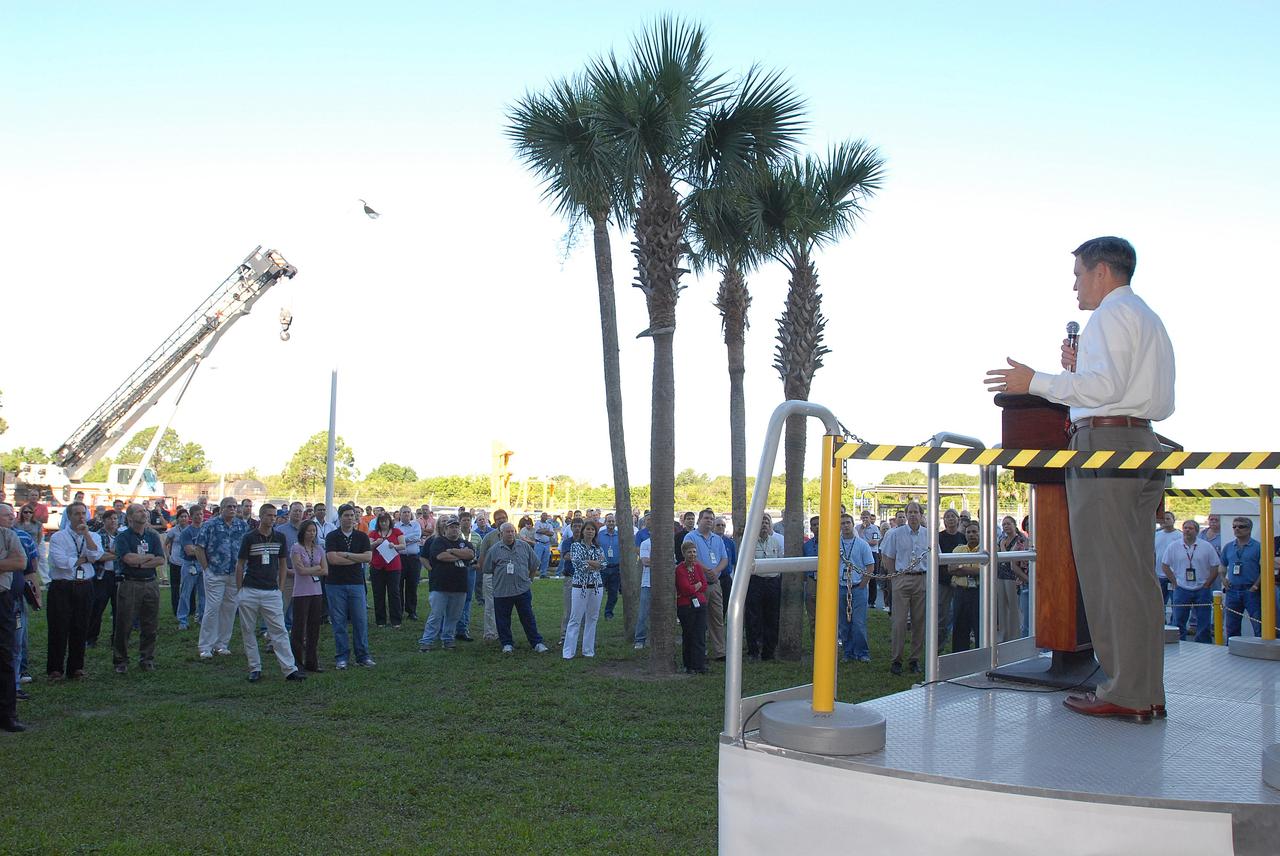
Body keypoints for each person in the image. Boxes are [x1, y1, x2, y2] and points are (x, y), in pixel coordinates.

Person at [985, 235, 1174, 722]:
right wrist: (1078, 373)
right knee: (1135, 576)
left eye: (1078, 275)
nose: (1074, 286)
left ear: (1102, 273)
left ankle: (1124, 691)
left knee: (1109, 575)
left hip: (1106, 449)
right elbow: (1132, 391)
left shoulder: (1110, 316)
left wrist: (1038, 382)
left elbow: (1106, 389)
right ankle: (1144, 689)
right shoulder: (1147, 317)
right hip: (1142, 443)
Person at [235, 504, 304, 682]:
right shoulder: (249, 538)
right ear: (261, 516)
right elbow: (240, 564)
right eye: (269, 515)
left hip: (271, 591)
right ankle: (254, 667)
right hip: (250, 589)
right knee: (248, 630)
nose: (272, 519)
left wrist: (280, 587)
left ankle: (289, 669)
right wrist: (239, 590)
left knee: (279, 630)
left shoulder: (279, 537)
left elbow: (282, 564)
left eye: (274, 516)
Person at [46, 501, 103, 679]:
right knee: (59, 626)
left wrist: (86, 536)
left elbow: (96, 555)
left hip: (84, 585)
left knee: (81, 626)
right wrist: (81, 559)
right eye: (76, 513)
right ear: (69, 516)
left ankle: (76, 667)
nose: (80, 517)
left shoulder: (93, 536)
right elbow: (59, 562)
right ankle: (55, 668)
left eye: (83, 513)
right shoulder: (58, 537)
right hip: (62, 586)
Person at [112, 503, 166, 673]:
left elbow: (160, 559)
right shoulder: (123, 537)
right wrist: (148, 557)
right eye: (139, 511)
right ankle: (121, 660)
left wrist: (142, 562)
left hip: (150, 582)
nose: (144, 514)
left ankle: (147, 658)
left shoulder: (152, 536)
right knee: (124, 623)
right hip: (130, 583)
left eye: (145, 511)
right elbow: (128, 559)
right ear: (129, 517)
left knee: (150, 623)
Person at [193, 498, 250, 659]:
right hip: (215, 573)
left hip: (235, 574)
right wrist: (206, 570)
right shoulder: (210, 525)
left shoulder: (242, 526)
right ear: (222, 508)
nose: (232, 509)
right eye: (229, 506)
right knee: (212, 608)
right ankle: (205, 646)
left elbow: (247, 549)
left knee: (230, 608)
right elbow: (199, 548)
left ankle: (222, 644)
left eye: (234, 506)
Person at [880, 500, 929, 676]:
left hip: (921, 580)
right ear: (906, 515)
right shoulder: (895, 534)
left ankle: (914, 660)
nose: (913, 515)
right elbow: (887, 557)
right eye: (910, 512)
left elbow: (934, 557)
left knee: (919, 622)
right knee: (899, 622)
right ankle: (896, 660)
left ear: (921, 515)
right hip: (901, 579)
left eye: (916, 512)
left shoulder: (929, 534)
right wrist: (895, 578)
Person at [483, 522, 549, 653]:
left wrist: (529, 579)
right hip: (502, 591)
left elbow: (534, 564)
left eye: (512, 531)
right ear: (501, 534)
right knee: (503, 619)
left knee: (528, 617)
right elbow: (488, 569)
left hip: (522, 590)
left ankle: (536, 642)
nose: (510, 534)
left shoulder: (524, 546)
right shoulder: (494, 550)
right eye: (507, 532)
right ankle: (507, 643)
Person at [324, 505, 375, 669]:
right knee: (339, 622)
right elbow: (332, 559)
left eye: (352, 515)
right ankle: (342, 657)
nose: (350, 518)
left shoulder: (362, 537)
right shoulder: (332, 536)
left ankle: (363, 656)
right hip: (335, 584)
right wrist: (356, 559)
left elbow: (367, 557)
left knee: (360, 621)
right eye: (346, 515)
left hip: (356, 584)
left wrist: (346, 554)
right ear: (340, 517)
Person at [0, 503, 34, 731]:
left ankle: (7, 715)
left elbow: (20, 562)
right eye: (7, 515)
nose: (11, 518)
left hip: (2, 600)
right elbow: (10, 562)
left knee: (4, 655)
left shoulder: (8, 535)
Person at [417, 515, 473, 652]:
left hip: (460, 586)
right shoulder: (438, 541)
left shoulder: (465, 543)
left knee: (453, 616)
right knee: (436, 615)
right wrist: (461, 555)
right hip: (440, 585)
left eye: (456, 527)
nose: (454, 530)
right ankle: (426, 641)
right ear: (445, 529)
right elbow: (441, 556)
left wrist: (453, 551)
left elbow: (470, 555)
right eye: (451, 527)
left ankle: (448, 640)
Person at [1162, 519, 1219, 643]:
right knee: (1179, 620)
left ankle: (1203, 644)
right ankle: (1179, 642)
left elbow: (1215, 566)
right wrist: (1174, 582)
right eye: (1185, 528)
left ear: (1197, 531)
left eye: (1190, 528)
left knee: (1203, 620)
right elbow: (1165, 565)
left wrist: (1207, 584)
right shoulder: (1174, 546)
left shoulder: (1206, 546)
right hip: (1182, 588)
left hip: (1201, 588)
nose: (1187, 530)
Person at [683, 509, 728, 660]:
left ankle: (720, 652)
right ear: (699, 520)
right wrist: (706, 570)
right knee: (698, 619)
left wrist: (715, 571)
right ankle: (700, 651)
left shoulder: (718, 539)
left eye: (712, 519)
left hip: (715, 583)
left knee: (717, 618)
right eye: (706, 518)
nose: (709, 521)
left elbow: (724, 559)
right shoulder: (691, 537)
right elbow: (690, 557)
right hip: (697, 585)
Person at [289, 519, 327, 672]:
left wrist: (314, 568)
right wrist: (316, 568)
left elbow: (325, 570)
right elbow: (300, 571)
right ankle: (297, 662)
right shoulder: (296, 548)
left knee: (314, 628)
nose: (312, 534)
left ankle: (312, 662)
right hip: (301, 593)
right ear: (303, 532)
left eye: (314, 531)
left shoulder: (318, 549)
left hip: (316, 591)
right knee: (299, 628)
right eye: (309, 531)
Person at [836, 513, 875, 662]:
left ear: (853, 525)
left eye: (848, 523)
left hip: (858, 587)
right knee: (844, 623)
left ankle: (862, 652)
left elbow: (870, 566)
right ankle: (848, 652)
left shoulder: (862, 544)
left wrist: (862, 585)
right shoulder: (835, 544)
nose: (845, 526)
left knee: (858, 623)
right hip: (841, 587)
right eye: (842, 523)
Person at [563, 519, 605, 659]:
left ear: (595, 532)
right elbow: (579, 565)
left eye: (592, 530)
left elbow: (604, 564)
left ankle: (588, 650)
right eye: (587, 529)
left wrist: (589, 562)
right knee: (575, 618)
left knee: (592, 618)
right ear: (583, 531)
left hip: (596, 587)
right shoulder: (575, 546)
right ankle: (568, 652)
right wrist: (595, 564)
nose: (590, 531)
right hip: (579, 587)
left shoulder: (598, 548)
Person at [745, 514, 783, 661]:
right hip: (755, 582)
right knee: (753, 617)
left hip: (772, 583)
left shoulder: (776, 542)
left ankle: (769, 652)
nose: (764, 525)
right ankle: (753, 652)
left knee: (772, 618)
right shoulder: (749, 543)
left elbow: (780, 561)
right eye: (761, 522)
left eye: (767, 522)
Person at [1221, 517, 1263, 638]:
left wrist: (1255, 586)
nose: (1237, 529)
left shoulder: (1258, 547)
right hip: (1232, 590)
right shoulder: (1229, 546)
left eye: (1241, 526)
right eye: (1234, 526)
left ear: (1249, 529)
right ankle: (1232, 650)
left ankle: (1260, 650)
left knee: (1258, 624)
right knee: (1231, 626)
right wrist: (1223, 578)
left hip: (1251, 591)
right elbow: (1222, 565)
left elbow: (1264, 569)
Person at [86, 509, 120, 648]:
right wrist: (117, 554)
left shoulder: (121, 536)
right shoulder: (98, 535)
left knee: (118, 608)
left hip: (117, 575)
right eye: (110, 518)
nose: (113, 521)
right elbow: (98, 556)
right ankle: (91, 638)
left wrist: (110, 552)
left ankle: (116, 638)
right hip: (102, 575)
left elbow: (126, 552)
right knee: (97, 607)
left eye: (115, 518)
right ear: (104, 520)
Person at [674, 540, 710, 674]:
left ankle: (699, 664)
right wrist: (697, 585)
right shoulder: (679, 569)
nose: (692, 554)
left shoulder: (698, 567)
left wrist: (696, 586)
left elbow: (705, 585)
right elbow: (685, 589)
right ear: (684, 553)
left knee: (700, 635)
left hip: (700, 604)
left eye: (694, 552)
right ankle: (689, 665)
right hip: (685, 606)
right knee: (689, 635)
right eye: (689, 552)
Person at [476, 509, 509, 641]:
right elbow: (482, 558)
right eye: (498, 518)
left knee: (506, 606)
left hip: (508, 577)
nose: (501, 520)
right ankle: (490, 633)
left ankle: (504, 632)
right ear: (494, 522)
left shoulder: (513, 535)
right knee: (490, 605)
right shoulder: (489, 537)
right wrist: (487, 573)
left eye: (503, 518)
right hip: (491, 576)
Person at [950, 521, 983, 652]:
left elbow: (983, 570)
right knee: (959, 628)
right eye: (968, 532)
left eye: (975, 532)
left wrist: (961, 569)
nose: (971, 535)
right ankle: (959, 660)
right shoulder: (958, 550)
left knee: (980, 627)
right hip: (961, 593)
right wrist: (972, 569)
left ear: (980, 532)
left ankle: (981, 659)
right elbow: (951, 569)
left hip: (979, 593)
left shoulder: (986, 550)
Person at [368, 512, 405, 628]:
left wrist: (395, 546)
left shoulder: (397, 532)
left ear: (390, 521)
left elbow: (403, 545)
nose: (383, 523)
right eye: (381, 521)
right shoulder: (373, 533)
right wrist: (375, 543)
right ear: (378, 523)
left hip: (393, 566)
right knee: (378, 593)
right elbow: (368, 546)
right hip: (377, 566)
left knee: (394, 593)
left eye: (386, 521)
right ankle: (380, 620)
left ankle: (396, 620)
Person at [935, 509, 964, 650]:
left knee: (959, 615)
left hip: (960, 581)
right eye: (947, 517)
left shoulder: (962, 537)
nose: (951, 519)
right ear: (944, 520)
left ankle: (958, 647)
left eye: (953, 516)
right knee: (942, 616)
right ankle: (938, 648)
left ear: (958, 519)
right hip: (943, 582)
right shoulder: (938, 537)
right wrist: (949, 577)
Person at [996, 516, 1029, 641]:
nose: (1006, 527)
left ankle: (1014, 636)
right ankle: (1003, 635)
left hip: (1013, 577)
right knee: (1002, 605)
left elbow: (1011, 559)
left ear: (1014, 525)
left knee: (1013, 606)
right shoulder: (1002, 539)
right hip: (1001, 575)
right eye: (1004, 524)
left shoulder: (1019, 540)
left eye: (1008, 524)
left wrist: (1004, 548)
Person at [454, 511, 481, 642]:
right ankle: (453, 627)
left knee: (468, 599)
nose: (466, 522)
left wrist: (478, 563)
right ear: (459, 521)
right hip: (456, 569)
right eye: (464, 520)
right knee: (455, 597)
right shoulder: (454, 536)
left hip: (470, 570)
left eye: (468, 520)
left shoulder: (476, 536)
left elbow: (481, 553)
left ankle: (463, 628)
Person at [396, 506, 424, 622]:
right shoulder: (395, 526)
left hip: (413, 559)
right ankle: (399, 610)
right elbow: (394, 540)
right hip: (399, 558)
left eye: (408, 512)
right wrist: (407, 540)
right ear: (400, 514)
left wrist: (401, 540)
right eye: (404, 512)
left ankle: (411, 611)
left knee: (412, 585)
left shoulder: (416, 525)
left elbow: (417, 537)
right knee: (398, 585)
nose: (407, 514)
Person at [164, 507, 191, 618]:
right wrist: (168, 556)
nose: (183, 518)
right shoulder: (173, 531)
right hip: (175, 561)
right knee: (175, 587)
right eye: (181, 517)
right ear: (178, 518)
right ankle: (176, 609)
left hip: (188, 561)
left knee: (189, 586)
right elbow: (165, 544)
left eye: (185, 516)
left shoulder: (191, 529)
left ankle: (191, 609)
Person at [1153, 510, 1181, 611]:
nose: (1166, 521)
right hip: (1158, 575)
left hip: (1174, 575)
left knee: (1175, 602)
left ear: (1174, 520)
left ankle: (1175, 623)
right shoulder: (1156, 535)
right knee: (1160, 602)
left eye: (1168, 518)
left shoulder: (1180, 536)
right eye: (1164, 518)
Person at [597, 513, 623, 619]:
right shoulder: (600, 535)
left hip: (616, 568)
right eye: (609, 521)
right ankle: (594, 612)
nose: (611, 523)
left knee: (613, 593)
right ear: (605, 522)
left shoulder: (620, 535)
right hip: (602, 568)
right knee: (597, 591)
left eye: (613, 521)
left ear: (615, 523)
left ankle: (608, 612)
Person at [857, 510, 883, 611]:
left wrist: (863, 543)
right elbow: (856, 538)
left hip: (872, 553)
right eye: (863, 518)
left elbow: (874, 542)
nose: (864, 519)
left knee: (872, 577)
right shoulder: (857, 528)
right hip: (860, 553)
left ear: (869, 518)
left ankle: (872, 601)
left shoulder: (875, 528)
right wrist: (862, 530)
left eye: (866, 518)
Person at [634, 531, 652, 650]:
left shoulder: (668, 543)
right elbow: (645, 561)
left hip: (664, 583)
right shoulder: (646, 543)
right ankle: (639, 639)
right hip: (648, 582)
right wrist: (663, 562)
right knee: (643, 613)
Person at [533, 512, 556, 579]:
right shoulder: (537, 523)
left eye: (546, 516)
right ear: (541, 516)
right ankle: (533, 573)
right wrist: (546, 531)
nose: (544, 517)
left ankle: (543, 574)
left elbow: (551, 533)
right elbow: (538, 531)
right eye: (543, 516)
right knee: (537, 559)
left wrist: (544, 531)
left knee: (546, 559)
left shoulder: (549, 524)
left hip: (547, 543)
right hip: (539, 543)